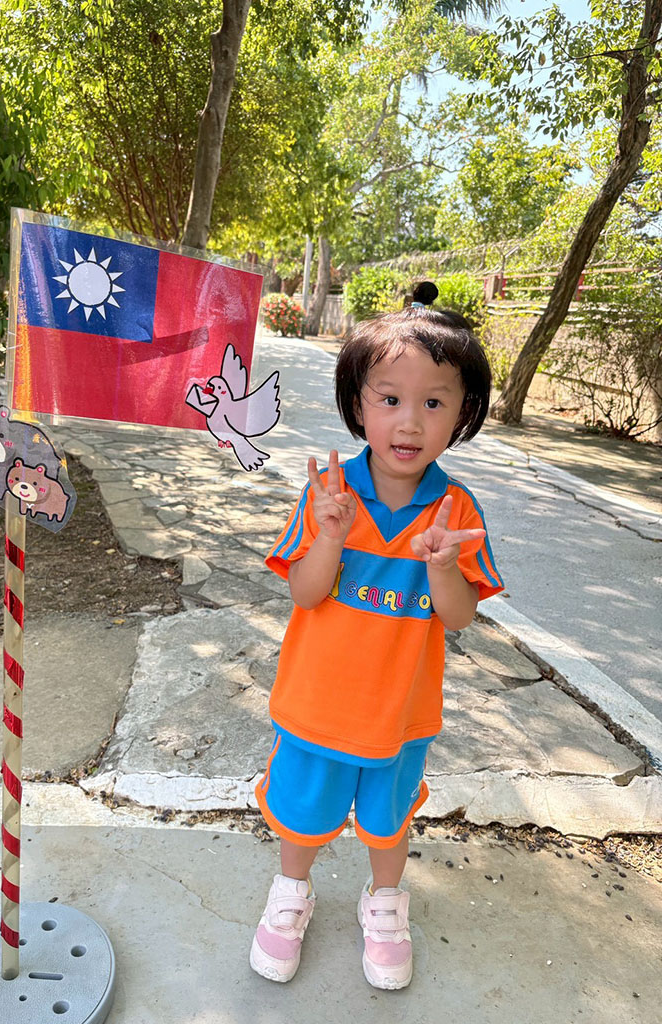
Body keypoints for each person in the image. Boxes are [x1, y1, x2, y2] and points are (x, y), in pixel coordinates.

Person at [250, 306, 504, 991]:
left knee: (388, 822)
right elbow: (305, 593)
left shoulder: (456, 511)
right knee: (302, 815)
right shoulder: (329, 496)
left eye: (433, 403)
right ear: (358, 405)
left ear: (463, 412)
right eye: (390, 399)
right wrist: (330, 537)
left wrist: (442, 567)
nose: (410, 422)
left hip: (400, 715)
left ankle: (385, 902)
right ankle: (291, 892)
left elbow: (459, 619)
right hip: (316, 707)